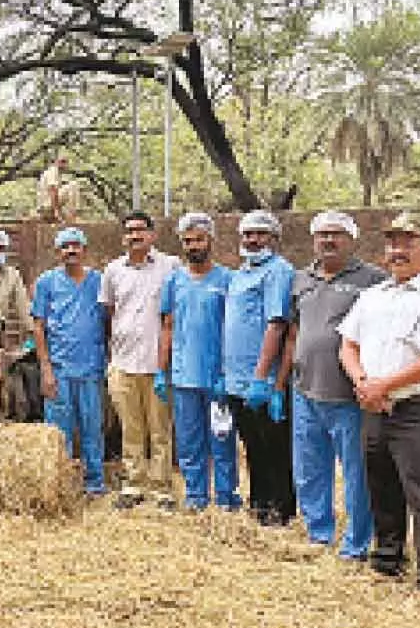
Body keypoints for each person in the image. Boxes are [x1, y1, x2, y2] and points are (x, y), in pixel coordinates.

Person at [338, 211, 420, 595]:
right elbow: (348, 344)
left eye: (408, 243)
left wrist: (385, 386)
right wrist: (363, 382)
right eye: (393, 243)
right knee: (381, 485)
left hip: (416, 411)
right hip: (374, 408)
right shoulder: (371, 296)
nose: (399, 250)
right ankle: (388, 558)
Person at [281, 211, 386, 559]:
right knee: (310, 469)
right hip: (305, 391)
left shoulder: (372, 280)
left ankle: (356, 543)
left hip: (348, 397)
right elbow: (293, 332)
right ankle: (318, 533)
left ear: (351, 239)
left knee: (356, 474)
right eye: (322, 234)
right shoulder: (300, 279)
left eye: (336, 235)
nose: (328, 241)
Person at [100, 211, 180, 510]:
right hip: (123, 363)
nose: (135, 236)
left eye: (141, 230)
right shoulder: (112, 271)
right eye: (129, 231)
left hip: (157, 364)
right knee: (130, 430)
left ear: (152, 235)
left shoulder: (170, 266)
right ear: (123, 237)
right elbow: (108, 313)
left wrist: (165, 362)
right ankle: (134, 485)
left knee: (160, 430)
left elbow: (174, 315)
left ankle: (161, 489)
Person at [158, 213, 237, 512]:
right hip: (183, 377)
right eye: (187, 241)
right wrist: (160, 370)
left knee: (222, 441)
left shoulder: (228, 280)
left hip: (218, 378)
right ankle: (195, 496)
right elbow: (167, 325)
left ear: (211, 241)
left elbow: (234, 328)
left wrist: (226, 372)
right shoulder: (174, 281)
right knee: (190, 442)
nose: (193, 246)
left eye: (199, 239)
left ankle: (227, 498)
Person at [223, 210, 296, 526]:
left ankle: (281, 510)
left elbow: (276, 325)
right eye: (248, 235)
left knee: (274, 448)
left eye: (260, 234)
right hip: (236, 380)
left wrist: (262, 378)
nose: (253, 240)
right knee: (251, 446)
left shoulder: (278, 271)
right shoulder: (238, 275)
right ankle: (259, 504)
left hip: (261, 380)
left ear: (274, 239)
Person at [31, 227, 107, 495]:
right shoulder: (47, 283)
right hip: (60, 369)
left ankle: (95, 483)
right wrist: (45, 368)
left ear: (85, 250)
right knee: (58, 432)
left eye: (76, 246)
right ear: (57, 252)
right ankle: (60, 483)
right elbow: (38, 327)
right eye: (65, 247)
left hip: (91, 367)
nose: (71, 251)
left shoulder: (99, 281)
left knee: (92, 428)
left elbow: (108, 320)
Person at [35, 157, 80, 223]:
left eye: (65, 162)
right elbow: (52, 191)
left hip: (48, 203)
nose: (64, 165)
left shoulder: (56, 173)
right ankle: (72, 215)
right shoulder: (53, 171)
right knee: (73, 185)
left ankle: (70, 214)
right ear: (56, 162)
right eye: (62, 162)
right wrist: (56, 211)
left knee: (70, 186)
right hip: (46, 204)